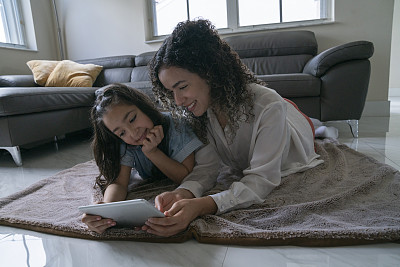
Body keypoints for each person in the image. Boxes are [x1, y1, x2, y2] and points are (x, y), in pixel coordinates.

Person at [143, 19, 324, 237]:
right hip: (275, 111)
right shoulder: (201, 110)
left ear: (210, 73)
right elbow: (208, 167)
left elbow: (261, 180)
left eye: (182, 87)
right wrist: (183, 192)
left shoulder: (267, 104)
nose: (178, 100)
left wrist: (203, 205)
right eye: (171, 92)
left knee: (312, 125)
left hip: (295, 124)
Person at [81, 83, 203, 234]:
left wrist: (152, 152)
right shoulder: (126, 144)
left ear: (143, 107)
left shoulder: (176, 125)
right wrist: (105, 210)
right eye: (122, 133)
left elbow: (185, 176)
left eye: (132, 119)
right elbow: (119, 183)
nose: (133, 133)